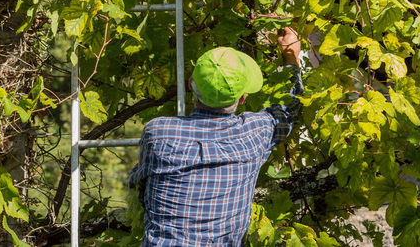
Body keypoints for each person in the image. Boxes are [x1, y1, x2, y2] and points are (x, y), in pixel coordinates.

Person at [128, 27, 303, 246]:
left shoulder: (158, 133)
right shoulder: (254, 133)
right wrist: (291, 57)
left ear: (191, 84)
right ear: (242, 98)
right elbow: (290, 109)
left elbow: (140, 187)